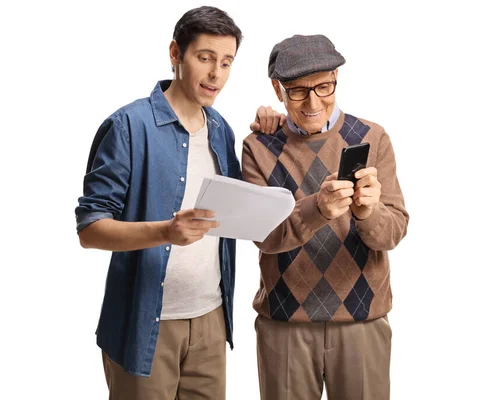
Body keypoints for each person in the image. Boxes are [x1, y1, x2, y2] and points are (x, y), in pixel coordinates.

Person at [75, 6, 243, 400]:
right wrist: (165, 231)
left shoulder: (221, 130)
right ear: (175, 54)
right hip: (145, 324)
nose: (216, 74)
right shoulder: (128, 126)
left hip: (210, 321)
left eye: (226, 62)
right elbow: (89, 229)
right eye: (205, 58)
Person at [242, 34, 410, 400]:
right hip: (284, 323)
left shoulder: (372, 136)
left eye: (323, 86)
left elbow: (394, 231)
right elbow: (262, 235)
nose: (313, 102)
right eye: (298, 91)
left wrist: (368, 213)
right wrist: (316, 210)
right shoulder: (258, 145)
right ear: (277, 89)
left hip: (362, 320)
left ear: (336, 78)